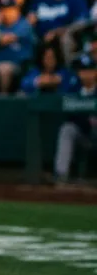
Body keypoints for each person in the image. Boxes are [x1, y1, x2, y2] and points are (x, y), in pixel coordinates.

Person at [53, 54, 97, 183]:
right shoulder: (73, 90)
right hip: (83, 135)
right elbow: (69, 116)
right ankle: (61, 174)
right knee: (67, 129)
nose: (86, 74)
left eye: (89, 70)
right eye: (82, 71)